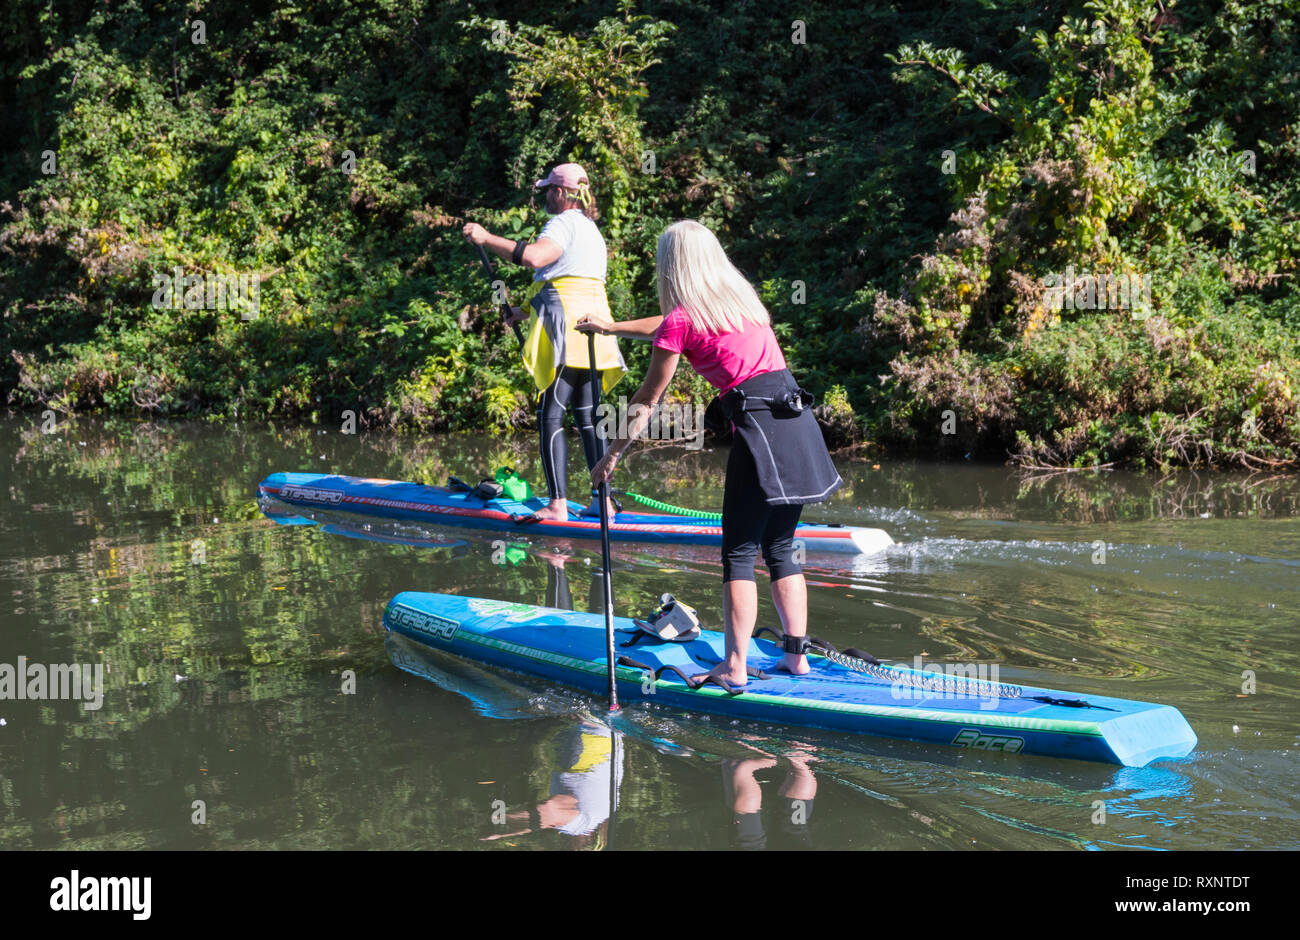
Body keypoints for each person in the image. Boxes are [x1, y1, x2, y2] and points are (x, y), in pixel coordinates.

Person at [580, 220, 843, 687]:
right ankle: (795, 657)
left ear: (671, 267)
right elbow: (668, 326)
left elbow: (648, 398)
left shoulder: (685, 319)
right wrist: (613, 326)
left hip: (760, 434)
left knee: (739, 552)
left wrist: (611, 455)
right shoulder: (743, 303)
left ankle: (735, 666)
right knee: (781, 547)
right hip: (797, 422)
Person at [462, 163, 625, 520]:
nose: (545, 196)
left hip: (565, 333)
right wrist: (522, 311)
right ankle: (603, 501)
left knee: (550, 415)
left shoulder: (562, 223)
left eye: (549, 190)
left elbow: (537, 257)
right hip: (593, 332)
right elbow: (569, 283)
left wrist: (486, 238)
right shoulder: (591, 231)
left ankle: (557, 506)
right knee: (588, 419)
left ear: (562, 193)